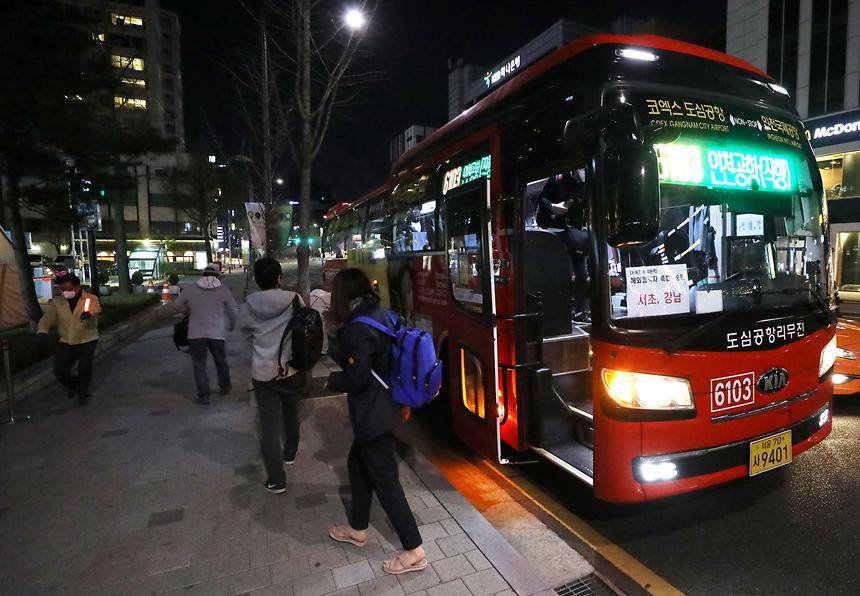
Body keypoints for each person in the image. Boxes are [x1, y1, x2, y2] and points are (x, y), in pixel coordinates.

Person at [326, 268, 426, 576]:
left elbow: (357, 378)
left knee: (385, 481)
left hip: (373, 413)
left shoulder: (357, 327)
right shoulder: (382, 313)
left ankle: (414, 551)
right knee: (358, 466)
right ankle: (358, 528)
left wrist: (331, 380)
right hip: (390, 405)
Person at [239, 257, 306, 495]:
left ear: (257, 280)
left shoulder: (247, 306)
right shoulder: (294, 299)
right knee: (291, 413)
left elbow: (247, 334)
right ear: (279, 278)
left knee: (268, 426)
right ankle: (290, 452)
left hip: (263, 371)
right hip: (291, 369)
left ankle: (276, 479)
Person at [171, 263, 238, 404]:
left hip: (196, 332)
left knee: (199, 365)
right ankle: (224, 386)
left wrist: (188, 311)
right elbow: (233, 311)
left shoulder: (191, 289)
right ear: (217, 277)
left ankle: (204, 395)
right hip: (217, 332)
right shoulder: (223, 290)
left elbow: (176, 306)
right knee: (221, 361)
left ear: (202, 276)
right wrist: (232, 325)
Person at [37, 273, 101, 405]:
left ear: (77, 287)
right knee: (59, 370)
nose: (65, 292)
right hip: (66, 340)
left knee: (84, 368)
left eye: (68, 289)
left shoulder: (89, 299)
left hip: (86, 339)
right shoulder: (57, 302)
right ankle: (73, 384)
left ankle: (82, 393)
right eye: (63, 289)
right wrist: (42, 331)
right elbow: (47, 318)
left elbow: (95, 309)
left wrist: (88, 314)